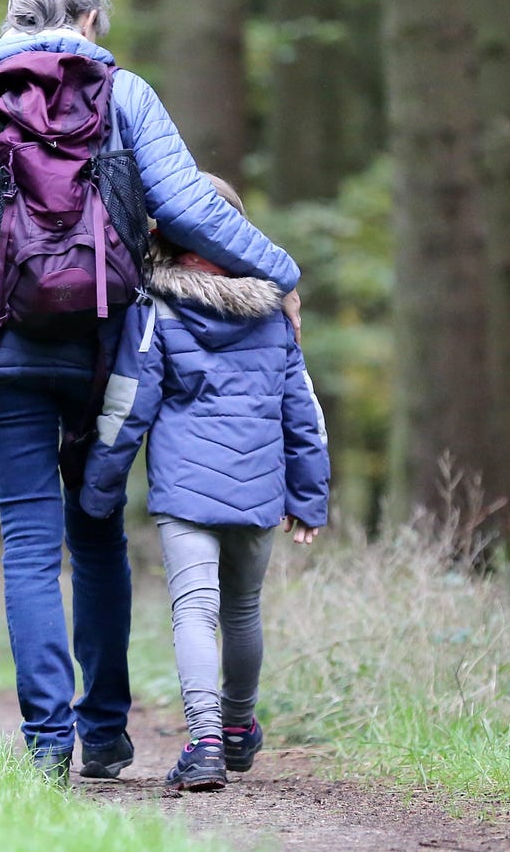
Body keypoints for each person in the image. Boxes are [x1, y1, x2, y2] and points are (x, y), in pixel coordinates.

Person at [0, 0, 304, 783]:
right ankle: (107, 734)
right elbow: (193, 207)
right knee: (96, 534)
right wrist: (281, 273)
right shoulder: (126, 96)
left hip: (6, 350)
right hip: (109, 350)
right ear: (90, 20)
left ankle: (48, 744)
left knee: (28, 541)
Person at [79, 174, 330, 791]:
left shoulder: (156, 308)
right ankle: (240, 729)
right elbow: (304, 411)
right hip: (260, 485)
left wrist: (99, 488)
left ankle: (206, 742)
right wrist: (309, 495)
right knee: (243, 609)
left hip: (187, 492)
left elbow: (127, 404)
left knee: (195, 611)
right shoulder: (274, 312)